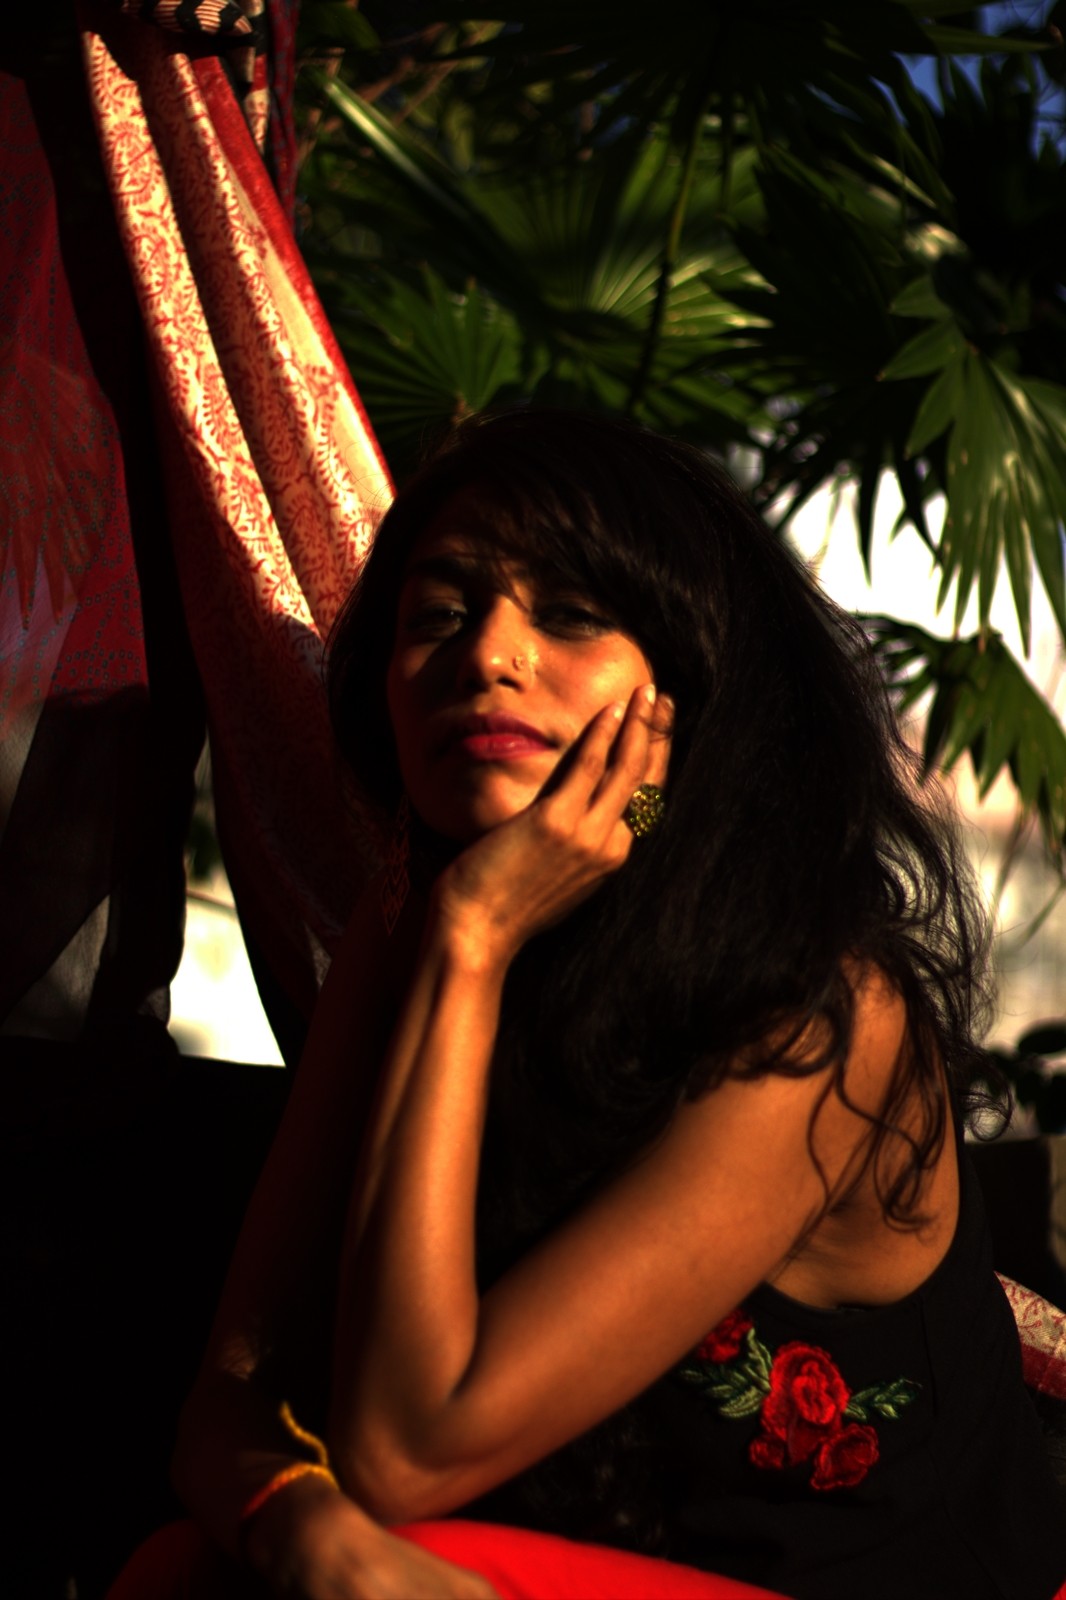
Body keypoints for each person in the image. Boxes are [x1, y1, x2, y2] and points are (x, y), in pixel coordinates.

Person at [120, 410, 1066, 1599]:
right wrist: (294, 1520)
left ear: (692, 690)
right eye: (439, 614)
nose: (488, 656)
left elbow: (405, 1451)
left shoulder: (819, 1018)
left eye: (568, 615)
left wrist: (475, 942)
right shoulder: (414, 916)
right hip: (518, 1561)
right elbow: (233, 1387)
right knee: (184, 1566)